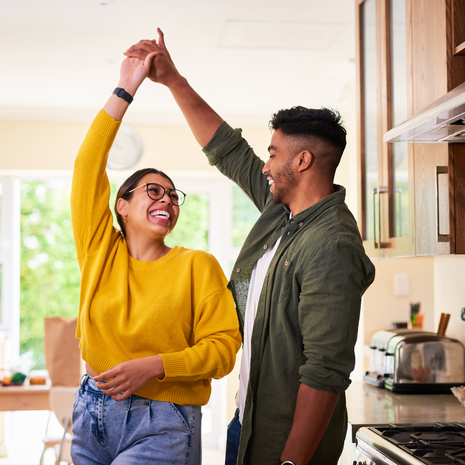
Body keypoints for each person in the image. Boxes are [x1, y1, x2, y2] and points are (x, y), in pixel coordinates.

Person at [125, 29, 376, 465]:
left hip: (285, 443)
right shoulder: (283, 212)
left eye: (274, 153)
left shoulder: (331, 245)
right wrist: (172, 79)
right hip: (249, 422)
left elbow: (326, 374)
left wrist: (291, 463)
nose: (265, 164)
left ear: (302, 161)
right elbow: (228, 150)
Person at [70, 48, 241, 465]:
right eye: (153, 190)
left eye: (172, 195)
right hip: (90, 412)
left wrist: (155, 366)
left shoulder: (196, 265)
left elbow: (223, 348)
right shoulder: (99, 252)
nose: (167, 198)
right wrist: (126, 88)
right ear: (121, 206)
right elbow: (87, 167)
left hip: (163, 421)